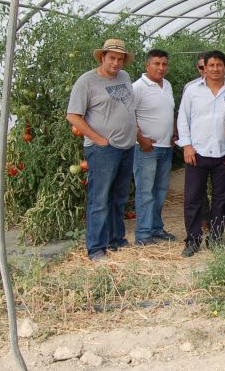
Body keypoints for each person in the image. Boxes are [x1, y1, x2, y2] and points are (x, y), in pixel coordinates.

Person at [66, 38, 138, 261]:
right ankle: (96, 248)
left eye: (120, 59)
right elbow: (73, 116)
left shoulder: (124, 78)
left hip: (126, 147)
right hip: (104, 150)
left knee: (119, 197)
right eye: (112, 58)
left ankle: (116, 239)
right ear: (103, 57)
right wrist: (98, 139)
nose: (116, 63)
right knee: (100, 199)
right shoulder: (87, 82)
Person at [175, 50, 225, 257]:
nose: (216, 69)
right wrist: (187, 146)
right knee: (193, 199)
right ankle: (192, 240)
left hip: (223, 154)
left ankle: (216, 239)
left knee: (220, 199)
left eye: (219, 65)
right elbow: (183, 119)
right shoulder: (192, 91)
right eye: (212, 65)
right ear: (205, 67)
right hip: (197, 153)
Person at [132, 49, 178, 246]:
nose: (161, 68)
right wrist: (140, 138)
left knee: (160, 191)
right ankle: (143, 234)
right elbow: (127, 115)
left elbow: (169, 111)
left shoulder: (166, 85)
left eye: (164, 64)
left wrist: (174, 132)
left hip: (165, 147)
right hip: (146, 149)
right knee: (145, 192)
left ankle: (156, 229)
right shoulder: (137, 88)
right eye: (157, 64)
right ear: (147, 65)